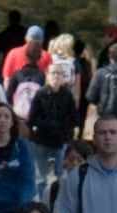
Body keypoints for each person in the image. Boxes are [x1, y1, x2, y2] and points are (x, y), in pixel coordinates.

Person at [27, 63, 78, 197]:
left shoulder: (67, 95)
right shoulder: (41, 93)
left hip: (61, 140)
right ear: (47, 76)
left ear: (63, 77)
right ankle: (42, 201)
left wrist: (65, 130)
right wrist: (47, 125)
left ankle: (59, 201)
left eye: (59, 73)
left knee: (62, 175)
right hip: (41, 140)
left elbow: (73, 118)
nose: (56, 76)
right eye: (53, 73)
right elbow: (32, 118)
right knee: (40, 177)